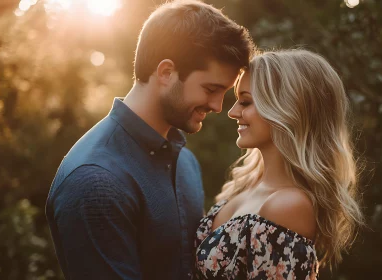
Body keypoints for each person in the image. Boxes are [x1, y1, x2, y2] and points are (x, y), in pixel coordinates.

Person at [45, 1, 254, 279]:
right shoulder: (96, 180)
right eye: (211, 89)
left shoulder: (185, 162)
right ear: (166, 72)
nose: (217, 106)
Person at [194, 49, 364, 279]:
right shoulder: (246, 183)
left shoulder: (288, 205)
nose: (233, 112)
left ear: (287, 109)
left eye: (245, 101)